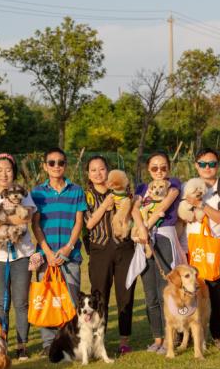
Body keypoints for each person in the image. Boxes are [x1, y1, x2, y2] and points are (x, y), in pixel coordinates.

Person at [0, 153, 36, 360]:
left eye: (8, 170)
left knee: (21, 302)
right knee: (2, 302)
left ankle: (22, 345)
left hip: (22, 254)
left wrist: (2, 222)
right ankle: (0, 342)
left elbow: (26, 217)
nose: (4, 174)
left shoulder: (22, 193)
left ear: (14, 172)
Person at [31, 148, 87, 356]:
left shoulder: (76, 191)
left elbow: (79, 222)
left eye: (60, 162)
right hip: (46, 256)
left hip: (70, 256)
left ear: (66, 165)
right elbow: (35, 225)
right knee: (47, 299)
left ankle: (69, 341)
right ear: (45, 166)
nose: (56, 166)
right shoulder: (36, 193)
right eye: (51, 162)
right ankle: (48, 344)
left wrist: (67, 248)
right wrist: (47, 252)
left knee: (71, 301)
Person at [131, 151, 186, 355]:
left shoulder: (174, 185)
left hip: (163, 238)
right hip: (144, 239)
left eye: (163, 167)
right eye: (155, 168)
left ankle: (172, 336)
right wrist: (142, 229)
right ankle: (157, 337)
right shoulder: (142, 188)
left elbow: (164, 205)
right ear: (148, 169)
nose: (159, 171)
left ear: (168, 168)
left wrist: (144, 228)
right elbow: (135, 210)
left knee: (167, 290)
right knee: (150, 293)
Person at [183, 148, 220, 352]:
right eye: (203, 164)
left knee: (215, 295)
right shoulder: (188, 186)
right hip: (190, 249)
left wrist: (201, 204)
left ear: (218, 165)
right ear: (196, 165)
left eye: (212, 164)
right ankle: (186, 334)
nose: (207, 168)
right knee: (187, 294)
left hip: (214, 251)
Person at [84, 155, 136, 355]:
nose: (98, 173)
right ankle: (99, 340)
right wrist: (105, 205)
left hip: (124, 247)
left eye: (102, 169)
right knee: (99, 295)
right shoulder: (87, 196)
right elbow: (89, 224)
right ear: (88, 174)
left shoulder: (122, 190)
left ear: (108, 170)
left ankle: (124, 340)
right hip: (100, 249)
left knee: (126, 294)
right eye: (93, 170)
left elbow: (134, 210)